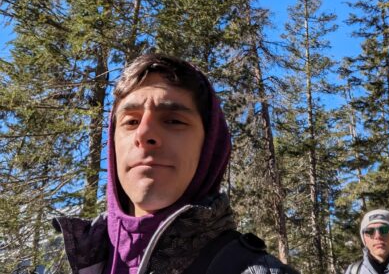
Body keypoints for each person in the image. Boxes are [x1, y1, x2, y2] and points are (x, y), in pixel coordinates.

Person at [53, 54, 299, 274]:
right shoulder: (77, 260)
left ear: (210, 147)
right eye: (130, 121)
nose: (145, 133)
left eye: (173, 121)